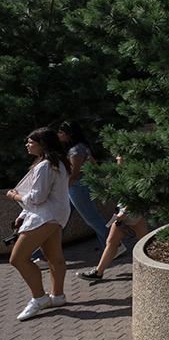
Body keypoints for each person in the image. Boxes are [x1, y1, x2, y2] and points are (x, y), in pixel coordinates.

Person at [6, 128, 71, 321]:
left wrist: (14, 195)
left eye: (30, 142)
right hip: (54, 215)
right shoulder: (57, 162)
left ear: (42, 144)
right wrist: (24, 213)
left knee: (17, 258)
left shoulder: (44, 165)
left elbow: (37, 197)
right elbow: (47, 195)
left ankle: (39, 298)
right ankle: (57, 296)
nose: (27, 145)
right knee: (54, 257)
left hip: (45, 216)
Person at [56, 121, 124, 258]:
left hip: (77, 187)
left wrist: (61, 189)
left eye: (61, 132)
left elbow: (74, 175)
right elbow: (94, 165)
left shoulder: (76, 150)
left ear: (69, 134)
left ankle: (114, 246)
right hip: (77, 187)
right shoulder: (81, 147)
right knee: (61, 220)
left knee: (92, 219)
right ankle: (46, 252)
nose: (58, 135)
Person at [77, 156, 150, 281]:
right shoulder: (121, 172)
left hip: (131, 211)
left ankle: (155, 267)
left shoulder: (135, 173)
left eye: (120, 156)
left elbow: (135, 195)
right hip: (123, 211)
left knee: (146, 242)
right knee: (111, 242)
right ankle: (98, 272)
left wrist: (125, 212)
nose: (117, 158)